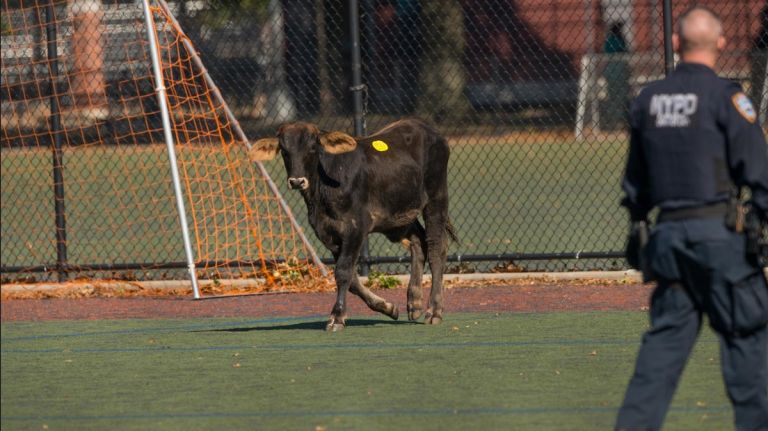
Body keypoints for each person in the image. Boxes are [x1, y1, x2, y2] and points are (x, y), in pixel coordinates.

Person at [615, 6, 768, 431]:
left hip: (669, 243)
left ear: (676, 44)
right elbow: (759, 175)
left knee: (658, 360)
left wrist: (639, 224)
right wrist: (757, 221)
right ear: (721, 44)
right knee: (747, 353)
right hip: (721, 242)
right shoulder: (728, 98)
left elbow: (635, 186)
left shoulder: (648, 101)